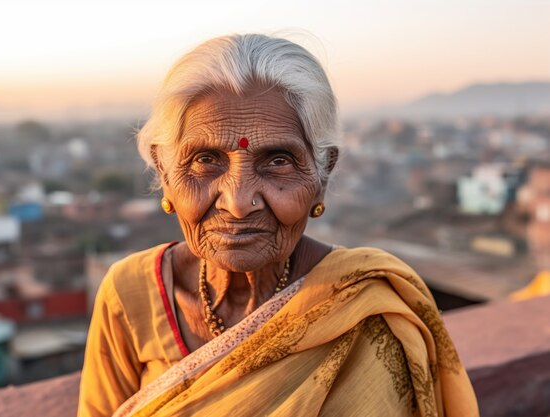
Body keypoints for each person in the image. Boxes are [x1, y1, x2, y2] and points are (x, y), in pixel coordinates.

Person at [78, 34, 478, 417]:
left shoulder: (369, 304)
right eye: (205, 160)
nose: (237, 203)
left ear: (323, 174)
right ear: (164, 171)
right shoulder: (129, 293)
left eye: (278, 161)